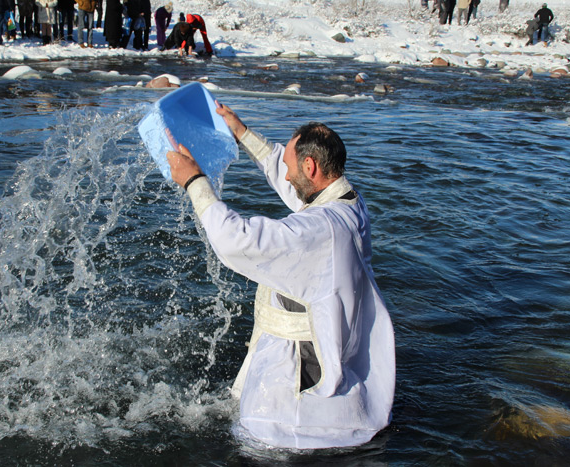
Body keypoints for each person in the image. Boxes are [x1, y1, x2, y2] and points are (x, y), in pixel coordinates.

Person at [165, 104, 396, 449]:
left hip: (295, 414)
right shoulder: (348, 203)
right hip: (336, 370)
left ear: (310, 165)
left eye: (290, 168)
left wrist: (195, 182)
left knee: (260, 447)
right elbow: (294, 183)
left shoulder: (321, 229)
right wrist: (242, 133)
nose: (285, 177)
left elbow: (238, 239)